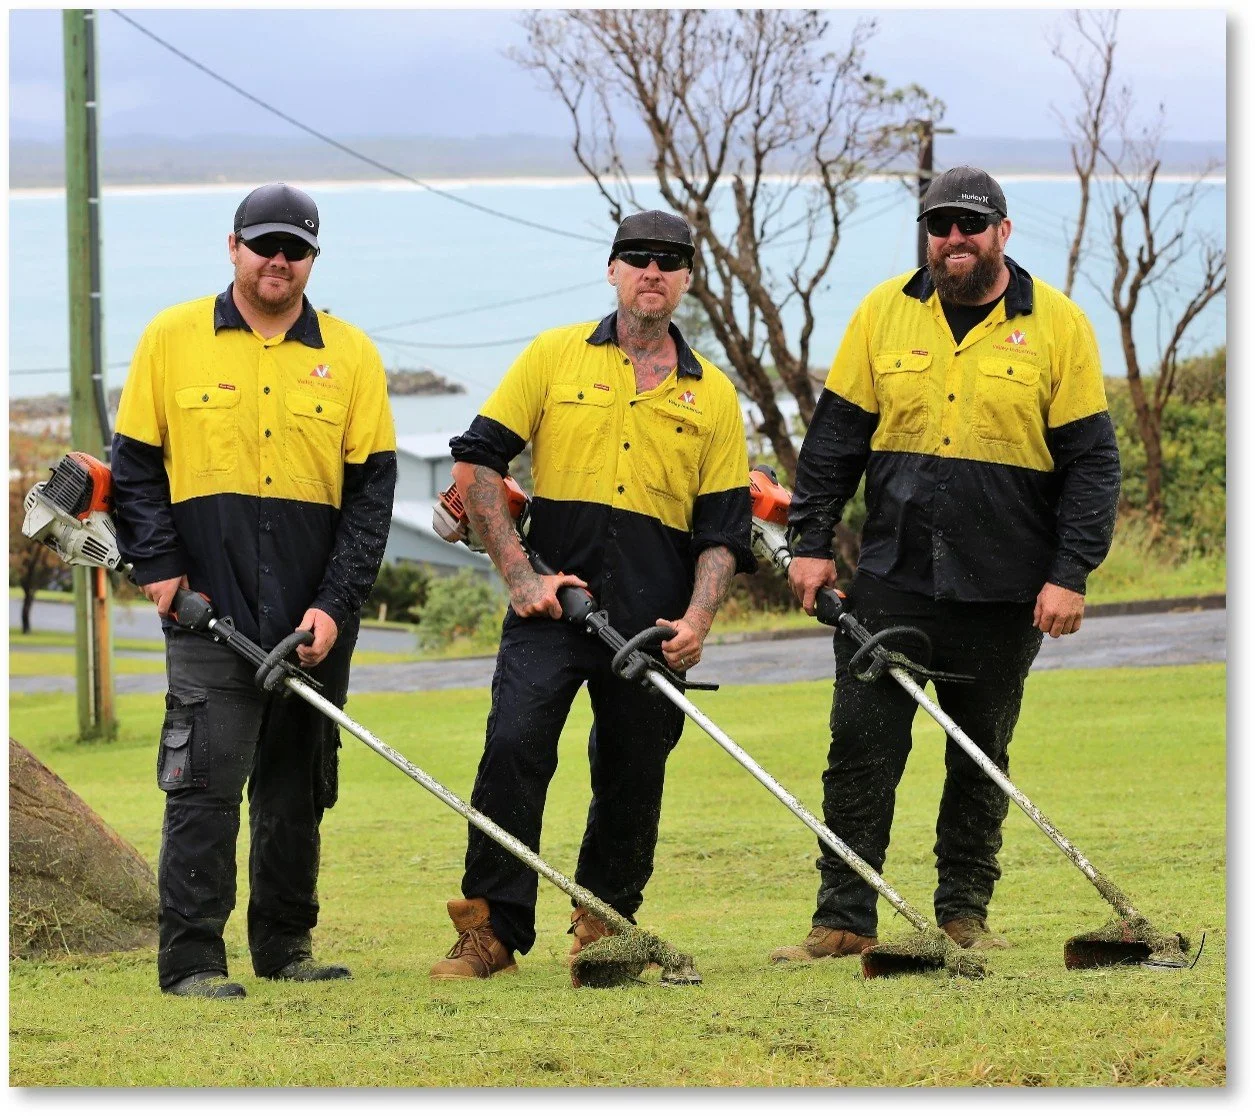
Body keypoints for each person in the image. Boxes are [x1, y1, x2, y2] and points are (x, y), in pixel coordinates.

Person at [772, 166, 1120, 962]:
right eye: (938, 225)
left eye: (969, 223)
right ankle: (842, 918)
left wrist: (1070, 574)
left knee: (978, 757)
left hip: (1005, 587)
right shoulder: (881, 315)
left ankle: (963, 913)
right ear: (925, 235)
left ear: (1002, 232)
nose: (952, 238)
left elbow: (1092, 466)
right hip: (891, 578)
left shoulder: (1059, 326)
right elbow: (833, 443)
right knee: (859, 749)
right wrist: (810, 545)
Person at [431, 210, 754, 982]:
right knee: (513, 749)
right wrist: (519, 576)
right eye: (638, 258)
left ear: (685, 280)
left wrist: (697, 621)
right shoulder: (552, 356)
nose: (653, 271)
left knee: (633, 773)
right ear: (612, 270)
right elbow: (477, 462)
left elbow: (721, 531)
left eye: (670, 261)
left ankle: (603, 925)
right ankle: (489, 932)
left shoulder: (712, 396)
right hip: (550, 605)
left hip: (653, 621)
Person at [112, 183, 397, 998]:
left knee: (297, 786)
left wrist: (335, 607)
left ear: (312, 258)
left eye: (295, 248)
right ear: (231, 246)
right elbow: (134, 470)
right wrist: (160, 571)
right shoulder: (170, 338)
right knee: (202, 786)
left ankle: (285, 946)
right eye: (264, 244)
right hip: (207, 611)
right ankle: (193, 961)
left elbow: (372, 494)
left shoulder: (351, 354)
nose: (279, 260)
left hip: (312, 618)